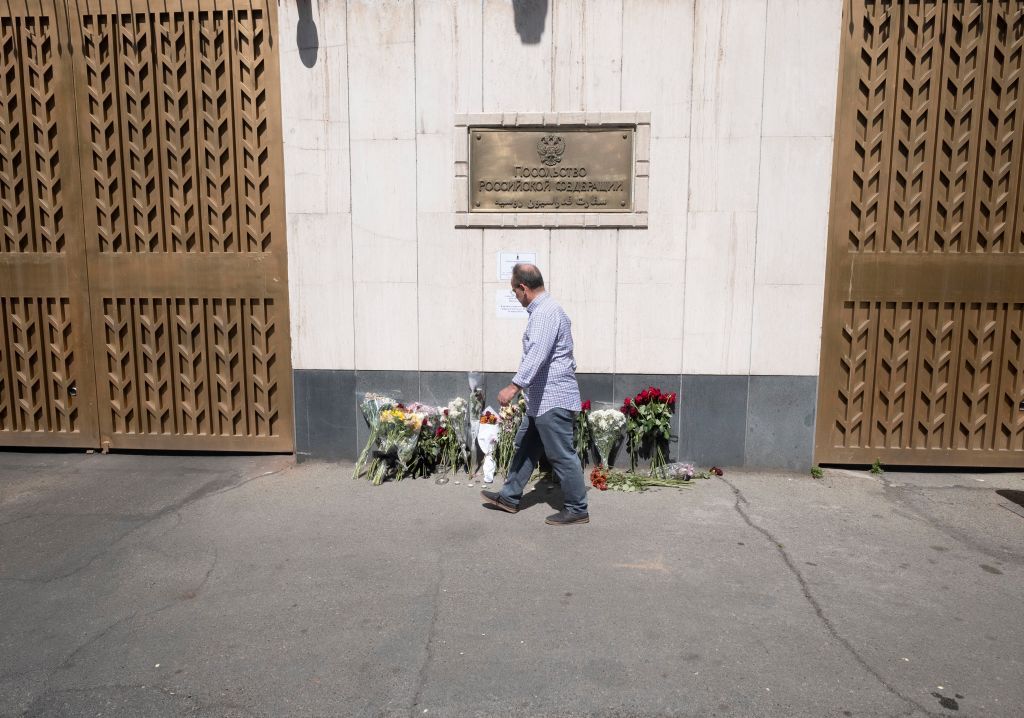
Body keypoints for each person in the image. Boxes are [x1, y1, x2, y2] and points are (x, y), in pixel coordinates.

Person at [480, 263, 589, 525]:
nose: (515, 296)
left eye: (514, 291)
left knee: (561, 454)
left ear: (523, 288)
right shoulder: (545, 311)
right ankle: (509, 497)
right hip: (540, 400)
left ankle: (577, 508)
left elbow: (538, 353)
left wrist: (514, 386)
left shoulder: (545, 313)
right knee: (526, 448)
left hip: (553, 398)